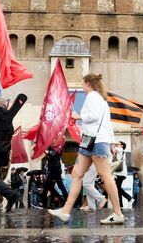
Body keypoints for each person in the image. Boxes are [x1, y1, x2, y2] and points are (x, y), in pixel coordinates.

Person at [48, 73, 124, 224]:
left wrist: (78, 116)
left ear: (88, 83)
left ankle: (118, 214)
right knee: (77, 174)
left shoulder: (93, 96)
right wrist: (112, 142)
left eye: (83, 84)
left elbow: (94, 116)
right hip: (90, 141)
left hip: (95, 142)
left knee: (105, 176)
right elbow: (107, 124)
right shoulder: (101, 100)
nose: (82, 87)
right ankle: (65, 211)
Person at [112, 141, 132, 207]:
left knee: (117, 188)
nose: (117, 145)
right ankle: (120, 205)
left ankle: (129, 198)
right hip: (120, 173)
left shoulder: (120, 150)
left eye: (119, 144)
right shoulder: (120, 151)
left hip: (120, 173)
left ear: (122, 145)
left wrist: (113, 144)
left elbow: (113, 148)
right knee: (118, 188)